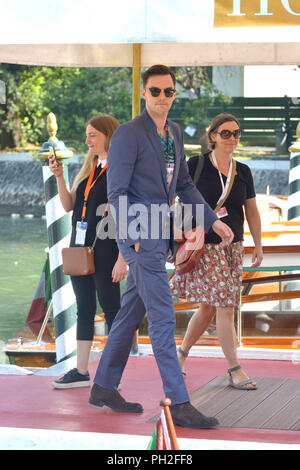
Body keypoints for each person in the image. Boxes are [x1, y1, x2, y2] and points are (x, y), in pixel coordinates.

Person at [89, 65, 234, 429]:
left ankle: (104, 386)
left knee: (128, 315)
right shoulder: (127, 134)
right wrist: (134, 238)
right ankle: (179, 401)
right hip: (140, 238)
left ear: (174, 94)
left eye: (168, 92)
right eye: (155, 91)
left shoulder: (173, 133)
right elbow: (116, 192)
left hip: (158, 235)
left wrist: (212, 221)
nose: (162, 98)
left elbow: (184, 185)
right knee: (164, 315)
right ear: (143, 93)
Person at [170, 113, 263, 390]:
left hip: (233, 248)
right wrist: (179, 230)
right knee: (225, 307)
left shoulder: (243, 170)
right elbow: (177, 198)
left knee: (209, 307)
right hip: (206, 246)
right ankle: (235, 369)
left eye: (236, 133)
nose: (232, 138)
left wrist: (258, 244)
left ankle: (180, 356)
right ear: (212, 136)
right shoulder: (196, 164)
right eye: (226, 133)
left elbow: (252, 211)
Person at [49, 115, 127, 389]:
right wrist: (59, 176)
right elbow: (70, 205)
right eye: (87, 135)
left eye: (93, 135)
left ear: (108, 136)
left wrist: (122, 258)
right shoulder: (89, 167)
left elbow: (127, 216)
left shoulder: (121, 170)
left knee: (111, 310)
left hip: (106, 248)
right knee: (84, 308)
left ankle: (111, 374)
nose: (87, 140)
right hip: (80, 247)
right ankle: (82, 371)